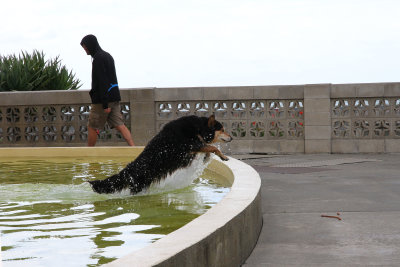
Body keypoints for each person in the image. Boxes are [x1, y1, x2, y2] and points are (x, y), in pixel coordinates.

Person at [80, 34, 134, 146]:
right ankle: (134, 149)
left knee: (92, 126)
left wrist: (105, 104)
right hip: (114, 98)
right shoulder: (108, 56)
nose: (84, 50)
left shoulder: (98, 59)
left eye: (85, 47)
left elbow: (102, 81)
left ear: (91, 45)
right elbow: (112, 78)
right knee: (120, 125)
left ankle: (90, 154)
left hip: (102, 101)